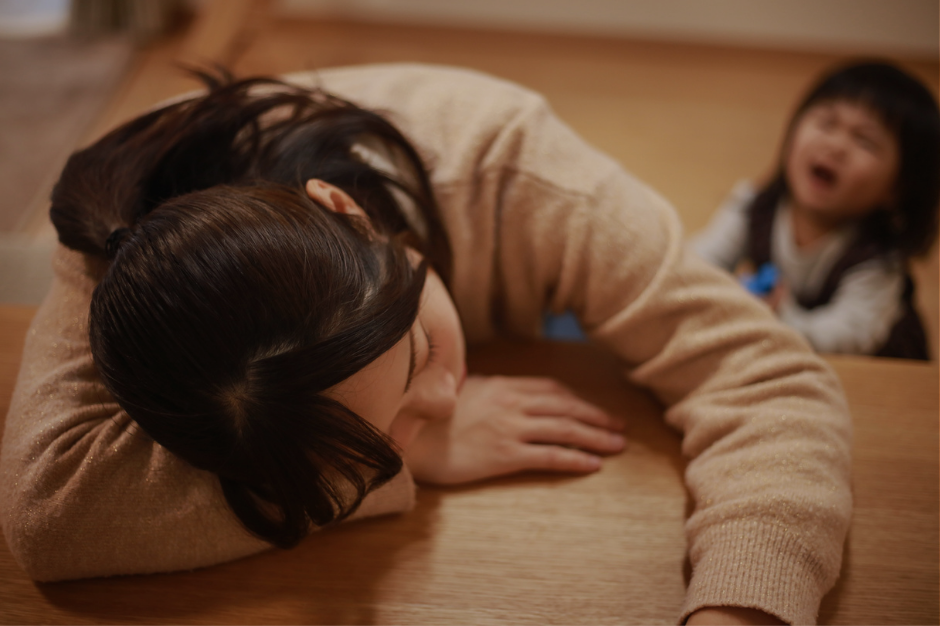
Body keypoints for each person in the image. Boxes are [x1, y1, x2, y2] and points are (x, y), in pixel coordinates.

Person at [0, 64, 852, 625]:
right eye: (374, 442)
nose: (443, 404)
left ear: (345, 209)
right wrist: (408, 460)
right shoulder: (130, 255)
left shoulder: (524, 172)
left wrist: (744, 603)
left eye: (416, 358)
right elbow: (54, 516)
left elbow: (763, 373)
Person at [691, 60, 940, 360]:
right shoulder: (754, 205)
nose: (835, 146)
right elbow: (699, 262)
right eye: (826, 123)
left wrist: (780, 316)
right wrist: (717, 292)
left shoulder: (878, 259)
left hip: (877, 376)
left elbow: (849, 338)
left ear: (897, 188)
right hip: (780, 350)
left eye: (865, 141)